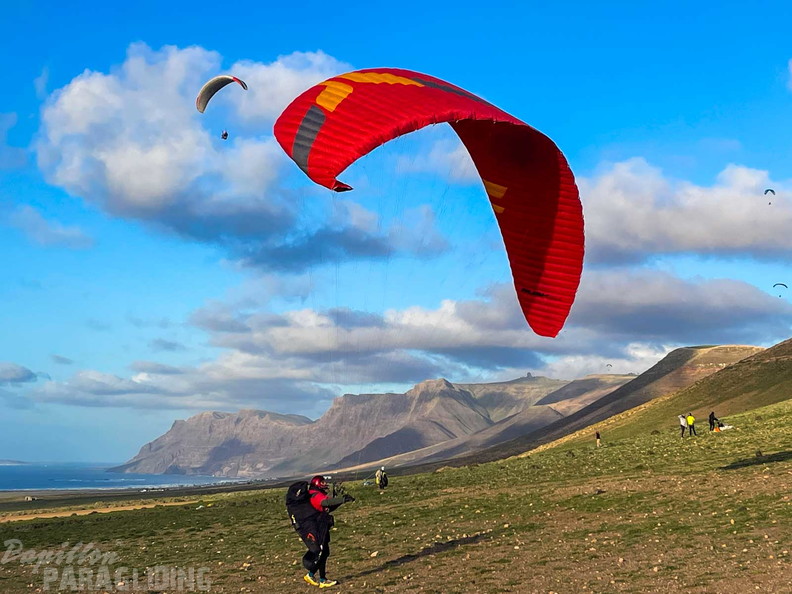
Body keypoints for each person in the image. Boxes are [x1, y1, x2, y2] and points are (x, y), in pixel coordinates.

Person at [292, 475, 353, 588]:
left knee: (324, 552)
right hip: (318, 527)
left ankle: (321, 579)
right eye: (323, 482)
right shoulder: (315, 494)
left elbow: (328, 508)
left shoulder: (317, 493)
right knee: (322, 552)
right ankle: (313, 576)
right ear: (317, 483)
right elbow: (326, 504)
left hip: (321, 526)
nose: (325, 484)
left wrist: (342, 500)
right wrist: (342, 499)